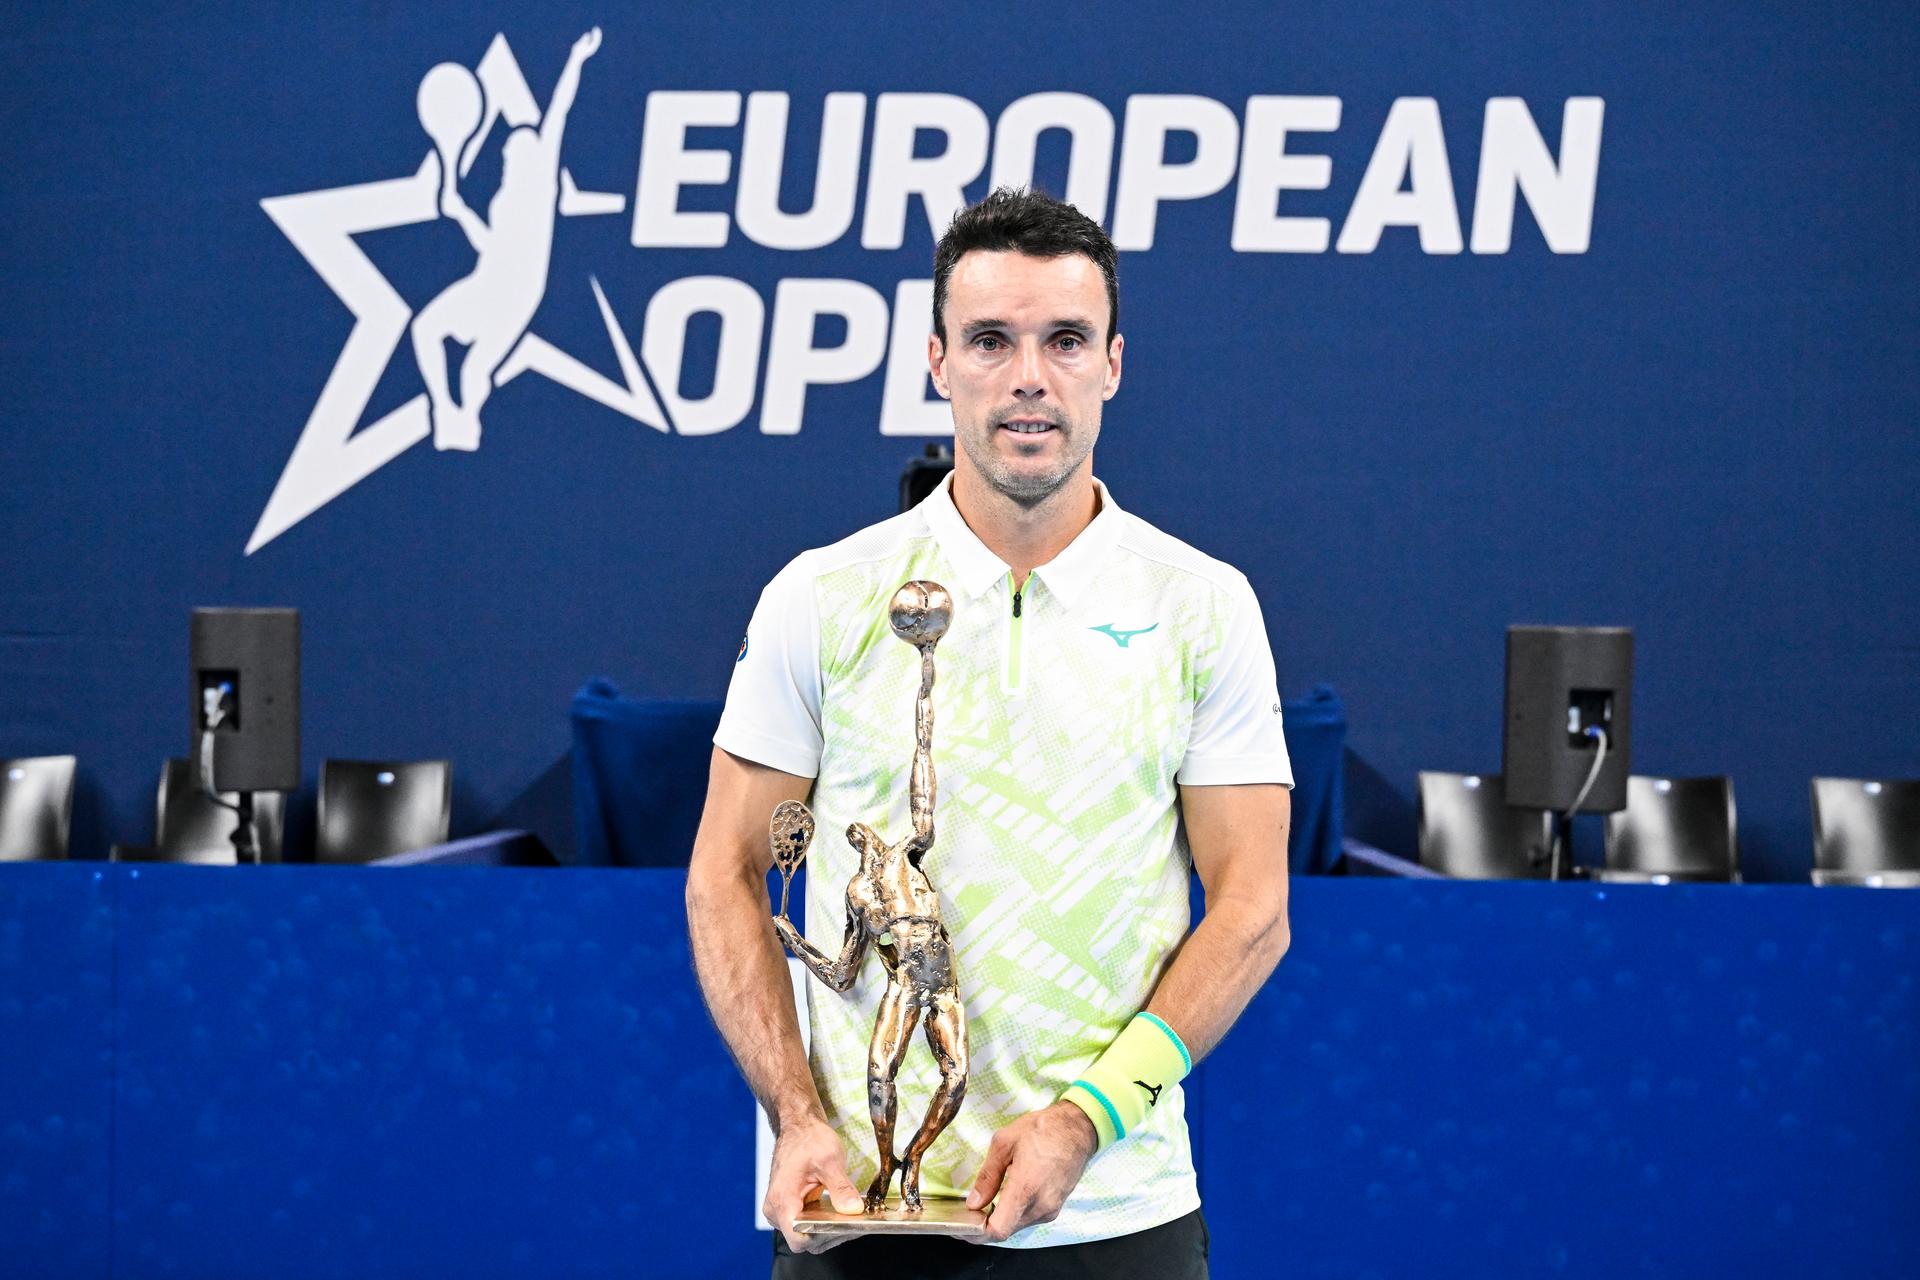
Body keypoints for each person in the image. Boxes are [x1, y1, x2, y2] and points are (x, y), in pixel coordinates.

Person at [687, 187, 1293, 1278]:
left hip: (1114, 1212)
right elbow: (724, 877)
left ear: (1113, 363)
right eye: (990, 341)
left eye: (1064, 340)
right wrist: (795, 1113)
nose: (1028, 376)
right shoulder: (821, 598)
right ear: (936, 359)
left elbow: (1252, 911)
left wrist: (1086, 1118)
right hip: (858, 1216)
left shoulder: (1204, 605)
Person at [409, 27, 600, 451]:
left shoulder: (541, 183)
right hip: (488, 280)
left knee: (474, 372)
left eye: (518, 149)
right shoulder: (505, 196)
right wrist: (460, 212)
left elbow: (559, 112)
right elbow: (491, 246)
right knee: (425, 330)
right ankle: (445, 411)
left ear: (534, 154)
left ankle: (466, 420)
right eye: (509, 151)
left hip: (517, 292)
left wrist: (575, 58)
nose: (510, 154)